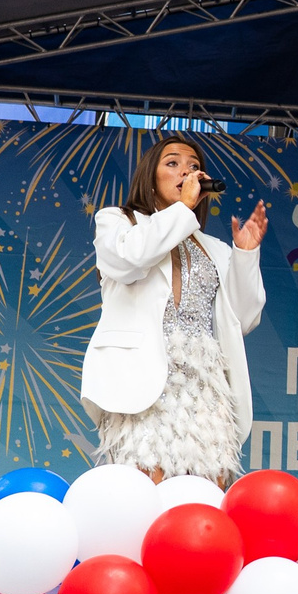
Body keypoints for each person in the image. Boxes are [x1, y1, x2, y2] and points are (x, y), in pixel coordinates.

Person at [80, 136, 268, 484]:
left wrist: (244, 255)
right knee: (148, 480)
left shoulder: (214, 248)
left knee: (207, 487)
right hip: (144, 380)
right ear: (150, 176)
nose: (187, 170)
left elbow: (243, 317)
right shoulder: (118, 223)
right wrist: (182, 208)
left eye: (194, 166)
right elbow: (130, 260)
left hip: (204, 384)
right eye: (173, 163)